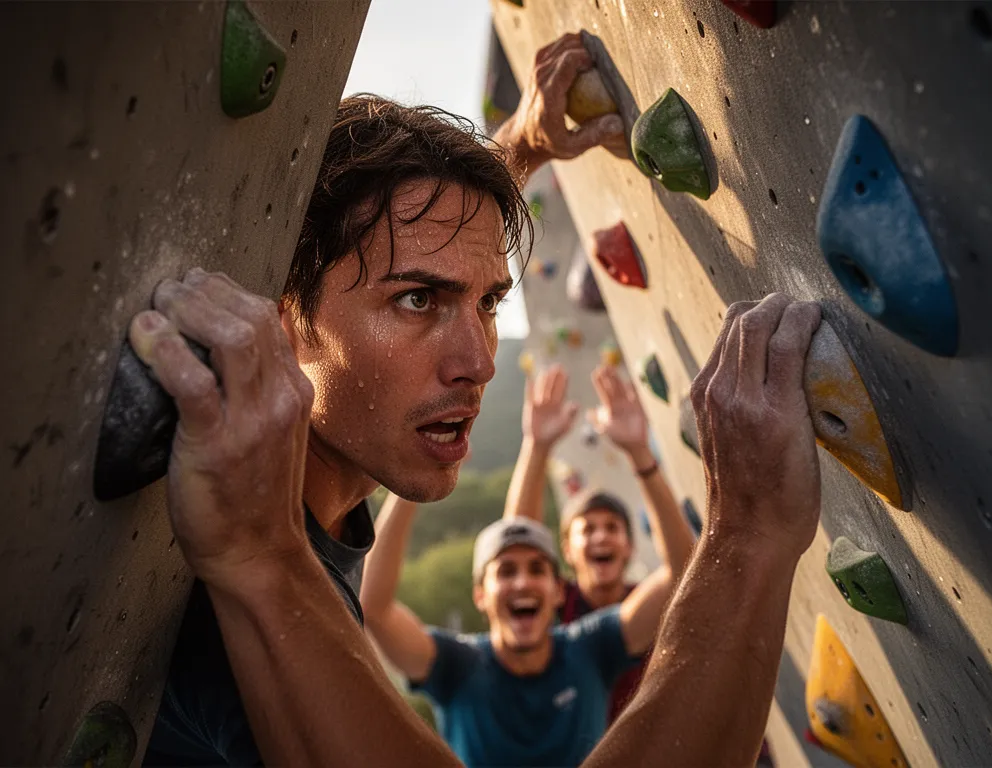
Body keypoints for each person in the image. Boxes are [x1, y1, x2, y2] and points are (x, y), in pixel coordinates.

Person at [139, 32, 623, 765]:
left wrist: (521, 145)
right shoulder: (239, 599)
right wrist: (748, 539)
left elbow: (415, 245)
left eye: (488, 303)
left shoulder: (304, 503)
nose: (479, 364)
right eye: (418, 300)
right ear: (282, 321)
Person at [358, 452, 689, 768]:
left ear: (558, 591)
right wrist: (414, 486)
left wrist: (642, 457)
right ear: (480, 596)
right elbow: (374, 608)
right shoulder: (457, 666)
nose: (522, 583)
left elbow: (684, 572)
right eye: (506, 572)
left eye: (536, 569)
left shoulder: (591, 649)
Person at [503, 363, 696, 724]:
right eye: (587, 529)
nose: (601, 536)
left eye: (611, 528)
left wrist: (640, 452)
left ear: (629, 548)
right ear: (567, 551)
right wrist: (536, 447)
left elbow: (685, 568)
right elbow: (517, 545)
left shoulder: (646, 602)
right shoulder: (552, 603)